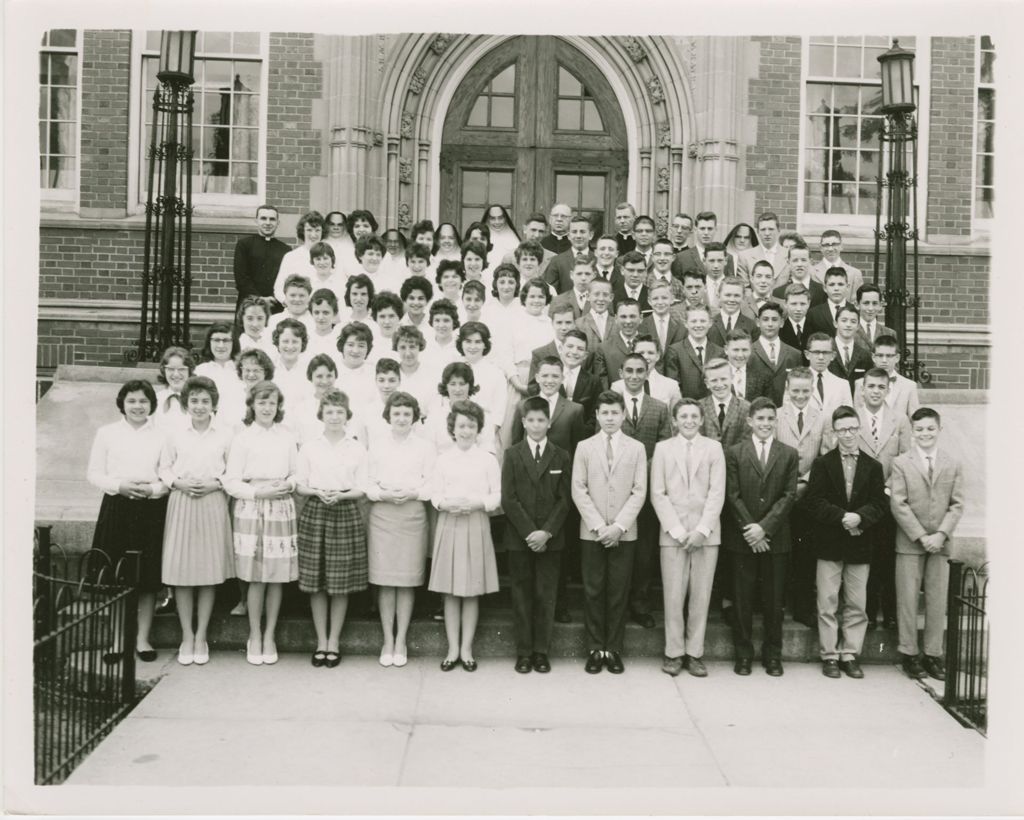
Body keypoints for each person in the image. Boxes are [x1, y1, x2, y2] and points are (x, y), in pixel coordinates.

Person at [86, 379, 169, 663]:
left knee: (147, 578)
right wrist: (119, 485)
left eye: (143, 401)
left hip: (150, 510)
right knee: (116, 576)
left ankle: (142, 639)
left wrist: (153, 490)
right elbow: (94, 473)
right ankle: (118, 640)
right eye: (132, 400)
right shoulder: (106, 433)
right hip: (117, 507)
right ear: (122, 403)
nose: (138, 406)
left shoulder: (162, 436)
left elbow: (168, 476)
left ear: (151, 405)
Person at [803, 405, 888, 679]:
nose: (848, 434)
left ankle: (849, 653)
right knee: (827, 601)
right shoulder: (822, 464)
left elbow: (879, 503)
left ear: (859, 428)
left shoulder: (873, 466)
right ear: (834, 432)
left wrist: (859, 518)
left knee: (856, 602)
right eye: (842, 430)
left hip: (860, 542)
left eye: (852, 428)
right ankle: (829, 654)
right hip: (830, 542)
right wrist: (843, 517)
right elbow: (814, 502)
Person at [158, 375, 235, 666]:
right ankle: (186, 635)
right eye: (194, 401)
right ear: (186, 403)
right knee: (182, 571)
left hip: (213, 502)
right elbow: (164, 467)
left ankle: (201, 635)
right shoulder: (175, 433)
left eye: (205, 401)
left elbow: (233, 470)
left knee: (207, 571)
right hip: (183, 501)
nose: (200, 406)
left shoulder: (225, 434)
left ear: (213, 403)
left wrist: (216, 483)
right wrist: (178, 483)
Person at [222, 380, 298, 666]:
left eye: (272, 402)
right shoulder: (242, 438)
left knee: (275, 576)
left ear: (279, 406)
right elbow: (231, 481)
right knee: (255, 576)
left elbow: (296, 473)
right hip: (252, 507)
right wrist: (257, 492)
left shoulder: (287, 437)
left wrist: (286, 484)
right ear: (252, 405)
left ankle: (270, 636)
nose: (267, 407)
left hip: (279, 506)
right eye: (262, 402)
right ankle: (254, 635)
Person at [571, 390, 647, 674]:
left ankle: (613, 648)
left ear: (624, 415)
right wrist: (599, 526)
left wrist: (618, 526)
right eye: (605, 413)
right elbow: (578, 489)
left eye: (615, 412)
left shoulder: (636, 448)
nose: (610, 418)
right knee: (593, 590)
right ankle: (594, 648)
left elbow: (639, 491)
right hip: (592, 531)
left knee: (617, 591)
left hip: (624, 532)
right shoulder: (585, 447)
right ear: (597, 415)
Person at [723, 397, 800, 676]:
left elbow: (789, 495)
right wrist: (751, 529)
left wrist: (764, 528)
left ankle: (773, 655)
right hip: (743, 538)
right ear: (750, 421)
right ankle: (743, 654)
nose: (765, 424)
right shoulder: (735, 452)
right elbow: (732, 495)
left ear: (775, 422)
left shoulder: (789, 453)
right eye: (760, 419)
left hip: (775, 538)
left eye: (770, 419)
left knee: (773, 599)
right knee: (742, 599)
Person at [651, 398, 726, 677]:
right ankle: (673, 652)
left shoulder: (714, 448)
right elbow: (658, 493)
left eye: (694, 416)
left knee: (701, 595)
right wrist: (679, 531)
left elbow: (717, 492)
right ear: (674, 420)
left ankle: (694, 652)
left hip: (706, 535)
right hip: (673, 535)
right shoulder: (662, 449)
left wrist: (702, 530)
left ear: (702, 419)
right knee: (673, 595)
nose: (689, 421)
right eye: (683, 416)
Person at [294, 389, 368, 669]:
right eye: (329, 412)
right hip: (316, 510)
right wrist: (316, 491)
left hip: (345, 510)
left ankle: (334, 641)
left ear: (346, 415)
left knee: (339, 583)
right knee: (317, 582)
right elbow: (300, 484)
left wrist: (341, 494)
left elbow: (362, 487)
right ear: (321, 415)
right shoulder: (310, 447)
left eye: (339, 411)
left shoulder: (357, 447)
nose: (334, 416)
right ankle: (320, 640)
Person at [890, 407, 964, 681]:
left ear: (939, 430)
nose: (925, 434)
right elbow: (898, 503)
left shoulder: (951, 463)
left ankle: (933, 653)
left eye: (930, 429)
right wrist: (921, 536)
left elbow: (957, 504)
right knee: (908, 600)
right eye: (919, 429)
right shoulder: (901, 463)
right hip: (910, 542)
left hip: (940, 543)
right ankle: (909, 654)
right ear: (912, 432)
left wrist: (941, 535)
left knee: (937, 599)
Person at [428, 400, 501, 671]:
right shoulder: (443, 459)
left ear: (478, 429)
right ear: (452, 428)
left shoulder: (487, 459)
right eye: (461, 425)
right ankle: (452, 649)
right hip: (449, 523)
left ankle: (467, 649)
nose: (466, 431)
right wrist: (444, 504)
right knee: (450, 591)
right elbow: (434, 493)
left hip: (475, 522)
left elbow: (497, 495)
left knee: (471, 591)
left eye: (471, 425)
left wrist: (478, 504)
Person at [366, 392, 436, 668]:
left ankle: (401, 640)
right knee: (385, 580)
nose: (402, 418)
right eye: (397, 413)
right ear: (388, 416)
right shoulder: (377, 446)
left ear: (414, 417)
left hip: (412, 514)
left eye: (407, 413)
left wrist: (411, 492)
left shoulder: (425, 447)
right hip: (383, 515)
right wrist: (383, 495)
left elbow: (431, 485)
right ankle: (387, 639)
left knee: (406, 580)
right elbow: (367, 483)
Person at [503, 395, 572, 673]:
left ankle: (541, 651)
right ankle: (523, 652)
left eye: (541, 420)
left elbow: (564, 500)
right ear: (523, 422)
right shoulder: (512, 454)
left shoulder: (561, 455)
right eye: (530, 420)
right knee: (522, 595)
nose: (535, 425)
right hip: (520, 539)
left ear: (549, 422)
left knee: (546, 595)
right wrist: (530, 532)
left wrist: (546, 532)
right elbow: (509, 498)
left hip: (550, 540)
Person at [616, 353, 673, 629]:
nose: (635, 375)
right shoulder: (611, 405)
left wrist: (642, 472)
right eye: (629, 370)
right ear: (621, 372)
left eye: (640, 370)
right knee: (619, 549)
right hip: (616, 490)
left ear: (648, 371)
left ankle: (639, 604)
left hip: (649, 489)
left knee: (644, 551)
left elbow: (663, 448)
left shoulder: (660, 408)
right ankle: (617, 603)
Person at [856, 368, 912, 630]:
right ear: (862, 389)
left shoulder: (899, 420)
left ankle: (888, 613)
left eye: (881, 387)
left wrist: (888, 489)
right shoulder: (853, 418)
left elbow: (904, 459)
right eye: (871, 386)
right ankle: (864, 614)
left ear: (888, 390)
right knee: (863, 558)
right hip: (861, 502)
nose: (876, 391)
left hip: (889, 499)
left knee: (887, 558)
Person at [774, 367, 829, 627]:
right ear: (787, 388)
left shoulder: (822, 418)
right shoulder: (776, 416)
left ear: (812, 391)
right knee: (780, 552)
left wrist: (805, 482)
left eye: (805, 391)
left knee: (806, 553)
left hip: (808, 494)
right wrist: (787, 485)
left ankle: (803, 607)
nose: (800, 395)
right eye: (795, 390)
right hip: (780, 493)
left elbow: (825, 456)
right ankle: (775, 603)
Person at [422, 362, 497, 455]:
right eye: (453, 384)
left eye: (462, 384)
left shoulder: (484, 416)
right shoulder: (434, 417)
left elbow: (488, 451)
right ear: (446, 386)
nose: (457, 389)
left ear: (470, 385)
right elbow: (428, 453)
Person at [233, 204, 289, 312]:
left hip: (275, 305)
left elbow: (286, 280)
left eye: (272, 219)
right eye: (263, 218)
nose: (268, 223)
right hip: (249, 304)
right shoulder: (244, 245)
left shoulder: (285, 250)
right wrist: (260, 299)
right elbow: (241, 278)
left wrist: (273, 298)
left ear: (278, 223)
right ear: (256, 221)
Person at [747, 302, 803, 405]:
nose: (770, 324)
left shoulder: (795, 355)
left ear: (781, 322)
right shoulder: (747, 353)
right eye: (765, 319)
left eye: (774, 319)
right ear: (758, 322)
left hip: (786, 412)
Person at [853, 335, 921, 418]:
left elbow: (914, 420)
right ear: (873, 357)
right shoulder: (860, 384)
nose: (884, 360)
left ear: (897, 358)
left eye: (889, 356)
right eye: (880, 356)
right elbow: (858, 417)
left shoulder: (909, 386)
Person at [664, 305, 724, 400]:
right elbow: (673, 385)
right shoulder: (675, 350)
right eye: (693, 321)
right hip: (686, 407)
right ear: (685, 324)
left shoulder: (719, 352)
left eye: (703, 321)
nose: (698, 325)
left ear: (710, 323)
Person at [612, 334, 682, 410]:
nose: (646, 357)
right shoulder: (618, 387)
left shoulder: (671, 386)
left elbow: (675, 418)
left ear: (657, 356)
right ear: (632, 354)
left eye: (650, 353)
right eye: (641, 353)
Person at [698, 357, 750, 451]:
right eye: (714, 380)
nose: (720, 384)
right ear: (707, 383)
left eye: (723, 379)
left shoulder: (745, 408)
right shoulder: (699, 407)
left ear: (732, 378)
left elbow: (746, 444)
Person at [196, 322, 244, 418]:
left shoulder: (243, 370)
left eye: (226, 340)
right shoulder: (200, 371)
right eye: (216, 340)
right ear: (209, 342)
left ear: (234, 342)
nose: (221, 345)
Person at [592, 298, 643, 388]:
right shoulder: (604, 348)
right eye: (623, 317)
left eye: (632, 316)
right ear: (616, 319)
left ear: (641, 318)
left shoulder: (650, 345)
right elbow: (602, 384)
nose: (628, 321)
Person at [672, 211, 737, 281]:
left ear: (715, 229)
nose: (706, 233)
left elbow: (731, 285)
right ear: (695, 229)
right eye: (702, 228)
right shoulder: (681, 258)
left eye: (710, 229)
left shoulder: (727, 257)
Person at [801, 332, 854, 417]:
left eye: (825, 352)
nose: (821, 357)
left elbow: (848, 417)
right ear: (807, 354)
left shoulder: (842, 385)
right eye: (816, 352)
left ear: (833, 355)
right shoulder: (796, 382)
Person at [274, 210, 325, 298]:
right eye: (309, 230)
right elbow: (279, 288)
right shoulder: (291, 257)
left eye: (317, 230)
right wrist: (288, 303)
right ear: (302, 231)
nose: (313, 234)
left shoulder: (328, 256)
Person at [269, 318, 313, 411]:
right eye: (285, 341)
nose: (290, 346)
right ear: (277, 342)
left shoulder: (310, 370)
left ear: (302, 343)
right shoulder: (269, 368)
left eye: (295, 341)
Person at [544, 216, 595, 294]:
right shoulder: (557, 261)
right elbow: (550, 293)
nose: (578, 236)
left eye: (582, 232)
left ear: (591, 235)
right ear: (568, 236)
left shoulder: (598, 260)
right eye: (574, 232)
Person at [829, 305, 874, 389]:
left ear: (857, 326)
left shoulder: (865, 355)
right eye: (844, 320)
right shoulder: (826, 350)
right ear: (835, 323)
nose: (848, 325)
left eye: (853, 321)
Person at [771, 241, 826, 307]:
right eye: (795, 260)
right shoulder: (778, 293)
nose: (799, 264)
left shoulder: (822, 290)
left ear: (810, 261)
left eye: (803, 260)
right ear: (788, 262)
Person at [153, 346, 194, 433]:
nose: (176, 374)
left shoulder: (197, 400)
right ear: (164, 371)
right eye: (171, 369)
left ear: (189, 371)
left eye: (182, 369)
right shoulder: (155, 399)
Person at [708, 276, 756, 348]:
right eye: (728, 295)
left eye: (736, 295)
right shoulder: (709, 325)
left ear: (743, 298)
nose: (732, 299)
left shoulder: (751, 326)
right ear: (719, 296)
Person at [640, 280, 685, 356]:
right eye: (655, 298)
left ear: (672, 299)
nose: (660, 302)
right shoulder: (641, 326)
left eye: (664, 298)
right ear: (649, 301)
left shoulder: (682, 327)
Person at [811, 230, 864, 295]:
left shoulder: (855, 274)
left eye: (834, 244)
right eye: (826, 245)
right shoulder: (811, 273)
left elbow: (856, 302)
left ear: (841, 246)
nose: (830, 249)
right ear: (820, 248)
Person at [722, 329, 769, 402]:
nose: (740, 355)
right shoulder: (716, 373)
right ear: (726, 349)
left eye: (744, 350)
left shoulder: (762, 375)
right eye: (735, 350)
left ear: (750, 350)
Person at [737, 211, 783, 286]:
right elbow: (744, 288)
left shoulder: (788, 255)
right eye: (763, 229)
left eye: (771, 229)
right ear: (757, 231)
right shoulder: (744, 257)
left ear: (778, 230)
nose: (767, 233)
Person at [575, 277, 617, 352]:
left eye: (605, 295)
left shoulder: (617, 323)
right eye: (596, 294)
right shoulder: (578, 324)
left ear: (611, 297)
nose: (601, 299)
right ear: (588, 296)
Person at [548, 254, 595, 320]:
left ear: (594, 275)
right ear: (571, 275)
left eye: (587, 274)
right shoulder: (558, 301)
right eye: (579, 274)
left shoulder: (601, 301)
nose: (583, 278)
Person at [854, 284, 896, 348]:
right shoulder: (850, 331)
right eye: (866, 303)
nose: (870, 308)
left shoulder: (889, 333)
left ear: (880, 305)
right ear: (857, 305)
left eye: (875, 303)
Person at [306, 288, 342, 361]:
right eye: (316, 312)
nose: (321, 317)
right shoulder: (306, 337)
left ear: (334, 313)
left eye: (325, 312)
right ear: (311, 313)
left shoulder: (340, 338)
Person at [482, 203, 521, 268]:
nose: (497, 222)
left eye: (500, 218)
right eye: (493, 218)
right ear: (488, 219)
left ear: (505, 218)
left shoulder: (513, 237)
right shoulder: (481, 237)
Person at [779, 283, 813, 355]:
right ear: (785, 304)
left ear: (809, 303)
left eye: (803, 304)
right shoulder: (779, 331)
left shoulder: (816, 329)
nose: (798, 309)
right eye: (794, 304)